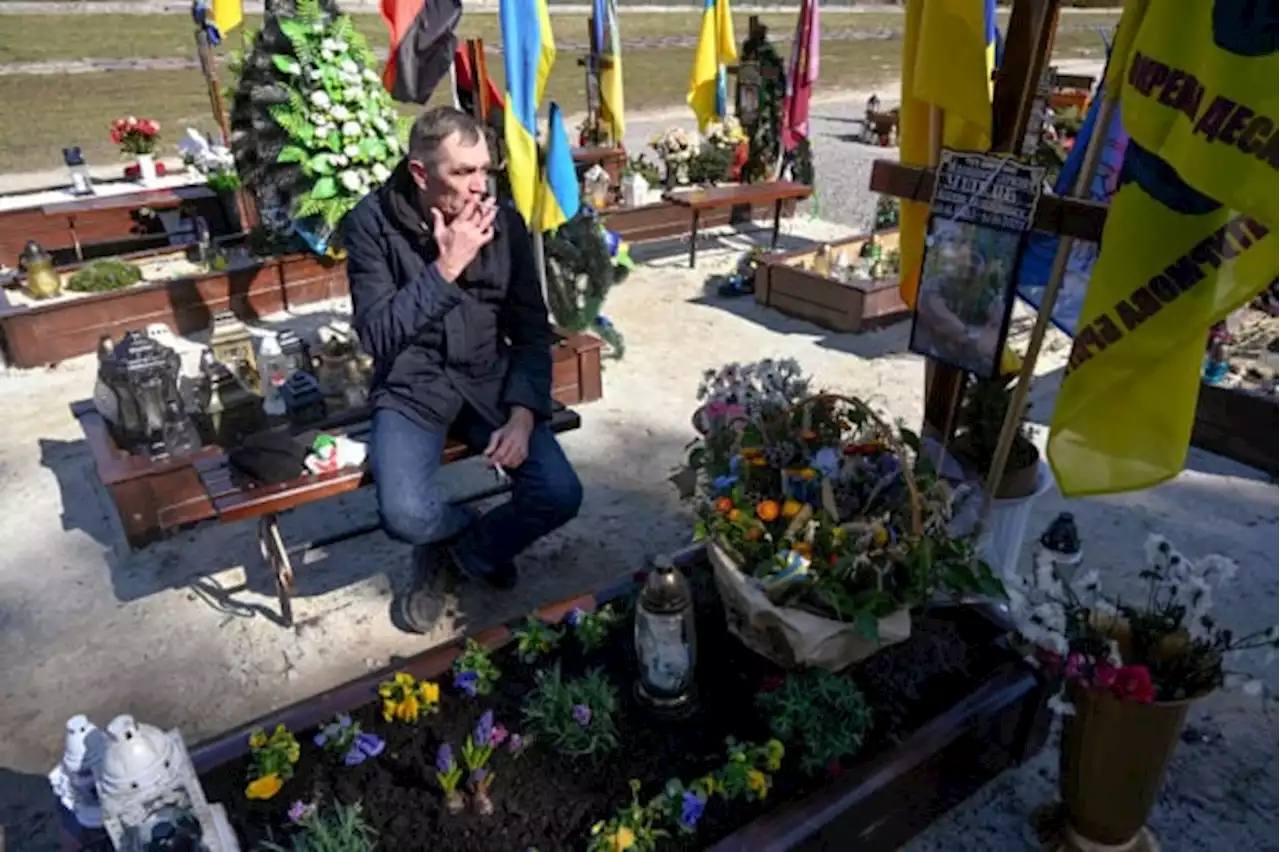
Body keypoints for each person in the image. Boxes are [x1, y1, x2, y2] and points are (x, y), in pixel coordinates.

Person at [344, 106, 583, 633]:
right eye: (462, 173)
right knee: (405, 514)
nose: (479, 187)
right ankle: (453, 533)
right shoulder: (370, 225)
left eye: (485, 170)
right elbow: (378, 335)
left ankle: (460, 558)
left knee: (560, 493)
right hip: (412, 387)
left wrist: (523, 413)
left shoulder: (505, 221)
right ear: (420, 173)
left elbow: (530, 327)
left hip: (485, 380)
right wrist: (446, 267)